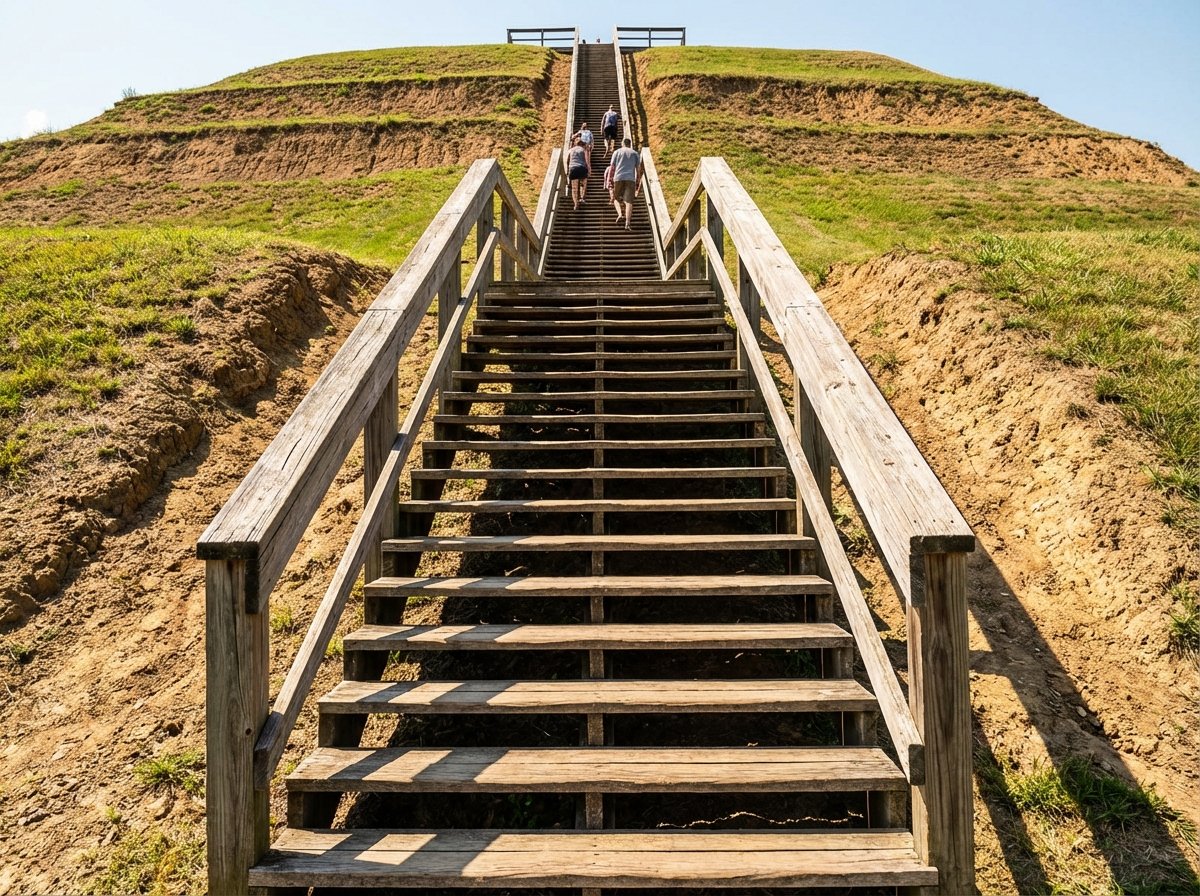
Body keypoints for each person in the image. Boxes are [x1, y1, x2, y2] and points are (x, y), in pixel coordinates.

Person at [610, 138, 643, 230]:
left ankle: (620, 214)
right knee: (629, 202)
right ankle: (627, 223)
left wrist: (610, 178)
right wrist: (638, 179)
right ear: (630, 144)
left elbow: (612, 167)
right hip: (630, 178)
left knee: (616, 198)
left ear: (622, 144)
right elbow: (638, 168)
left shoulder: (617, 152)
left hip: (618, 177)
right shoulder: (635, 153)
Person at [566, 135, 589, 210]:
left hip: (573, 168)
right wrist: (588, 169)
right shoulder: (583, 150)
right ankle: (582, 198)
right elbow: (586, 161)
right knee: (583, 184)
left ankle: (576, 204)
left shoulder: (570, 150)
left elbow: (567, 161)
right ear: (581, 143)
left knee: (574, 188)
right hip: (582, 168)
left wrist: (567, 171)